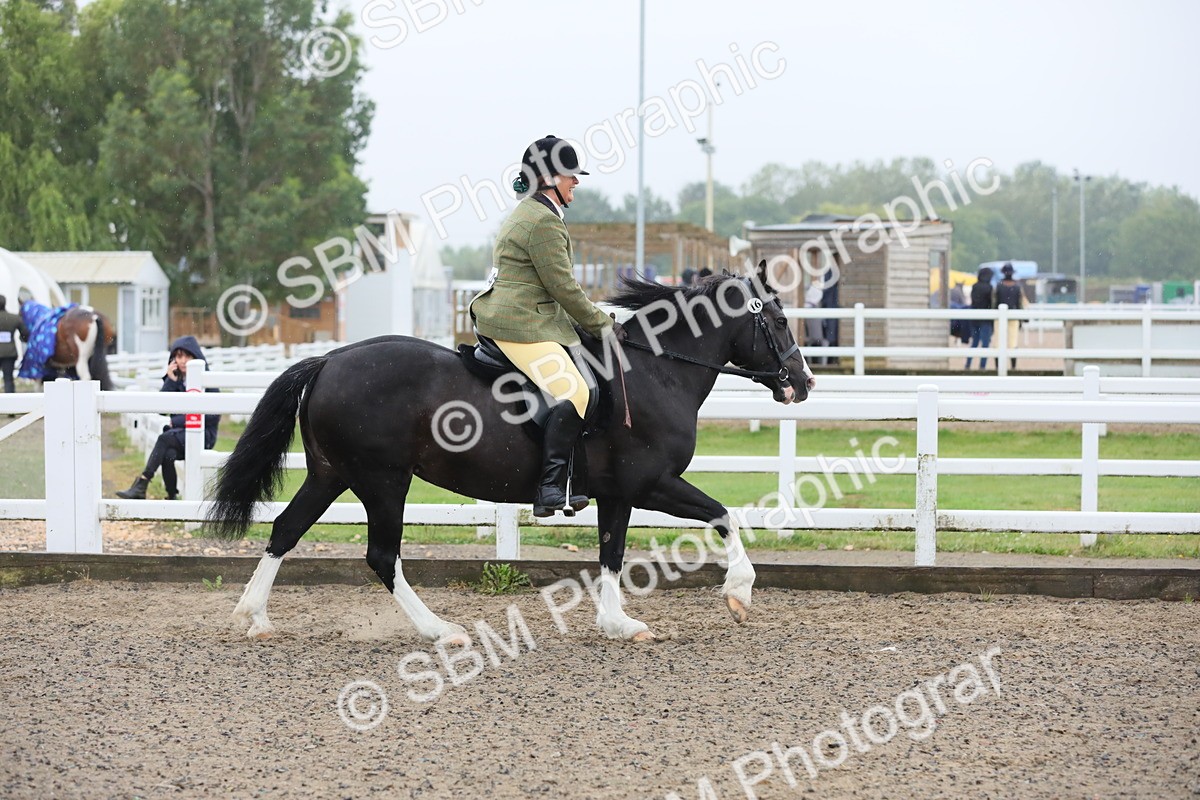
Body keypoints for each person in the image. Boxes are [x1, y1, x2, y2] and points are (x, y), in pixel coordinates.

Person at [469, 134, 624, 517]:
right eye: (571, 175)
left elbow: (552, 289)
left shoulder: (534, 213)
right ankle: (551, 486)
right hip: (519, 323)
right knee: (575, 392)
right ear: (550, 177)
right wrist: (603, 325)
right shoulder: (541, 222)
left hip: (526, 314)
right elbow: (564, 288)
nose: (577, 182)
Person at [115, 336, 220, 499]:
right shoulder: (176, 381)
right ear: (173, 359)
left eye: (187, 356)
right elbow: (161, 409)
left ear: (195, 357)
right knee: (168, 453)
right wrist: (170, 381)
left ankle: (143, 482)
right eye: (179, 356)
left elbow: (212, 416)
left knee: (164, 439)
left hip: (204, 435)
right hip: (178, 435)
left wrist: (175, 421)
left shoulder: (207, 380)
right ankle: (171, 495)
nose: (183, 361)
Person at [994, 263, 1027, 369]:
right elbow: (1020, 303)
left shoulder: (998, 286)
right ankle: (1013, 366)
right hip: (1013, 316)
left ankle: (998, 366)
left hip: (999, 317)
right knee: (1013, 341)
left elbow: (994, 302)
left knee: (998, 342)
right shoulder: (1017, 287)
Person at [965, 267, 995, 370]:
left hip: (975, 319)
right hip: (986, 319)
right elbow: (991, 304)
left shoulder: (975, 286)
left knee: (974, 342)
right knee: (985, 344)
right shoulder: (989, 287)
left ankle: (968, 364)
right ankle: (982, 366)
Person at [0, 295, 30, 394]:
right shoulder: (14, 318)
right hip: (10, 353)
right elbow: (25, 334)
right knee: (8, 380)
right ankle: (10, 403)